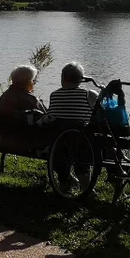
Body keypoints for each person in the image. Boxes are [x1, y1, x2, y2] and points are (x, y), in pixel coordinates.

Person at [48, 62, 98, 191]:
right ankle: (85, 187)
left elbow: (51, 117)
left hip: (59, 145)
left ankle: (64, 184)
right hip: (83, 145)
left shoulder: (54, 95)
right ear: (81, 79)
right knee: (81, 145)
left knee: (65, 146)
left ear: (63, 77)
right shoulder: (89, 95)